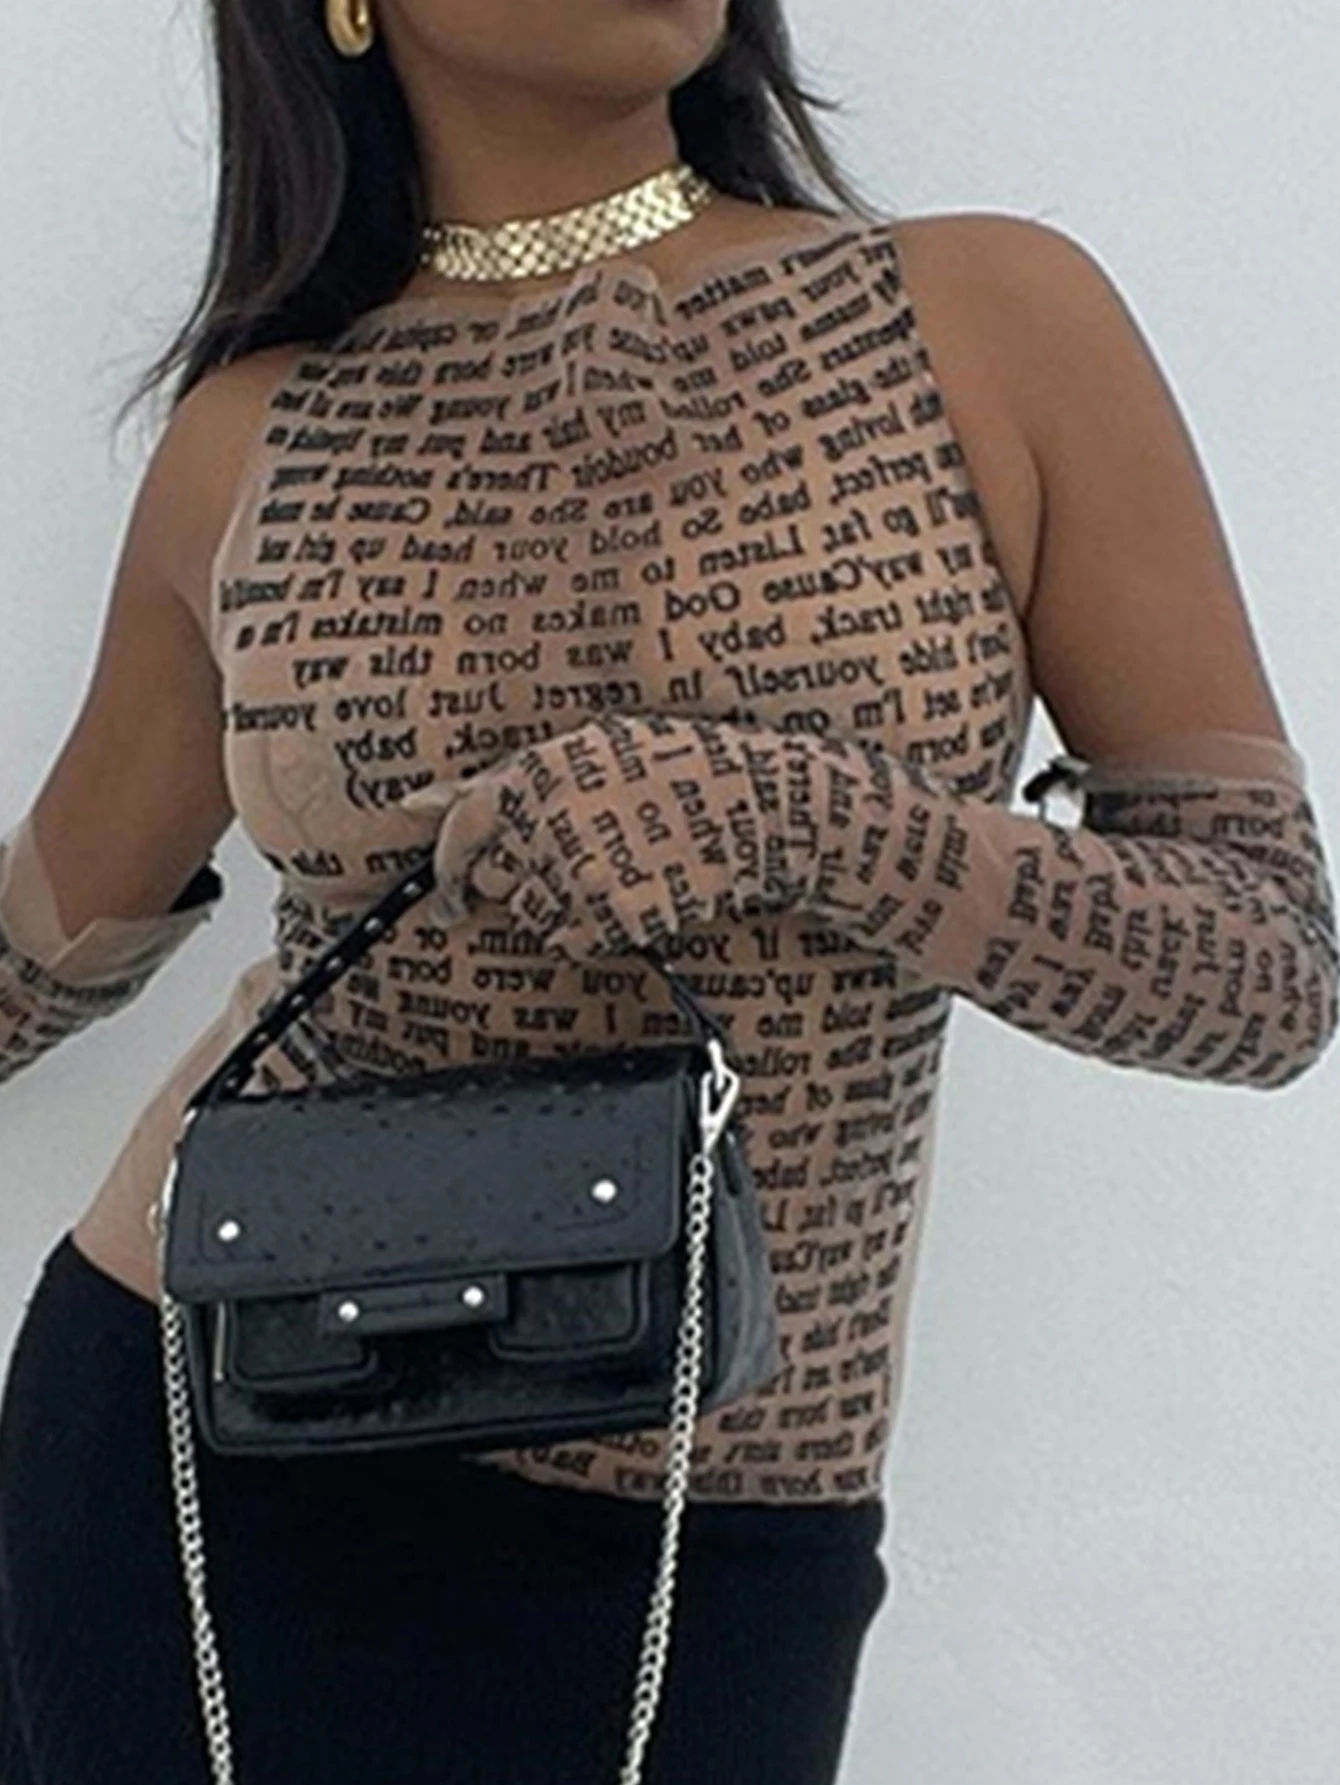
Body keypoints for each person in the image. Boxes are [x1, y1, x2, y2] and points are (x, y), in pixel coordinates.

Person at [2, 0, 1337, 1780]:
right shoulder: (249, 438)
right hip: (212, 1436)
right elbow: (54, 928)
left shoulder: (985, 320)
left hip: (729, 1502)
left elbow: (1269, 974)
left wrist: (805, 823)